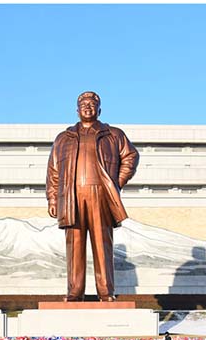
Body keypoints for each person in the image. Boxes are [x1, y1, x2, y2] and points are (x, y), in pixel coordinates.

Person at [46, 91, 139, 302]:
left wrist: (116, 182)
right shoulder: (64, 138)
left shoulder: (113, 134)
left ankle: (106, 292)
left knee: (102, 243)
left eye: (92, 104)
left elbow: (131, 156)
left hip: (100, 194)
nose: (87, 107)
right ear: (77, 110)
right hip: (72, 196)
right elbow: (53, 170)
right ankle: (74, 291)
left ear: (99, 109)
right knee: (74, 245)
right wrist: (52, 198)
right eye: (83, 104)